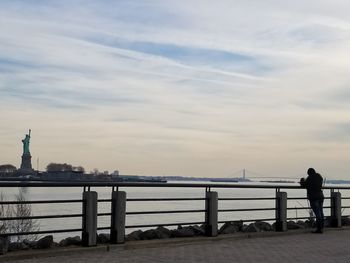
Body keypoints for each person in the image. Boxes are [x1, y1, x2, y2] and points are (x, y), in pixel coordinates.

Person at [299, 168, 324, 233]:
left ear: (309, 173)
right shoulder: (319, 177)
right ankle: (322, 227)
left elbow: (304, 185)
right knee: (321, 212)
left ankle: (319, 229)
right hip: (320, 196)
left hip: (314, 197)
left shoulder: (309, 178)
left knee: (317, 213)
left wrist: (302, 180)